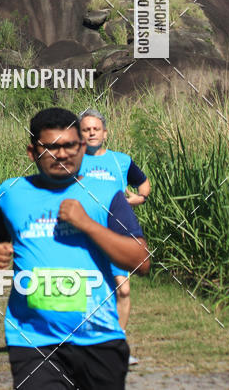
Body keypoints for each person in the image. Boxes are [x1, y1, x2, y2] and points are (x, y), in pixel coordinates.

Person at [0, 107, 150, 390]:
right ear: (33, 152)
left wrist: (88, 225)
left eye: (70, 145)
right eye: (51, 147)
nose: (62, 153)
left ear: (82, 146)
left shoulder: (106, 194)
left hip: (99, 339)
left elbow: (141, 261)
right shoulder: (12, 193)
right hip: (33, 340)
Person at [78, 108, 151, 364]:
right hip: (83, 236)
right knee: (84, 292)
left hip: (116, 236)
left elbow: (144, 184)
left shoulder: (121, 161)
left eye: (96, 128)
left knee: (123, 290)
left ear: (105, 133)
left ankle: (116, 346)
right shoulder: (70, 162)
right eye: (86, 129)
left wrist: (138, 199)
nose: (91, 132)